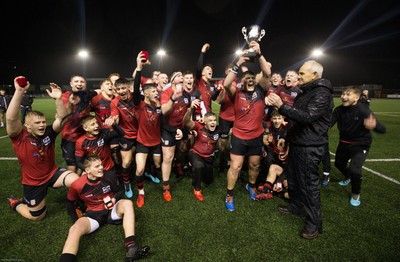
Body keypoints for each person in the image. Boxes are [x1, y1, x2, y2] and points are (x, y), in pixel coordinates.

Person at [265, 60, 333, 240]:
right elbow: (296, 119)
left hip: (310, 147)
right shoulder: (307, 91)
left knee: (309, 186)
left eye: (302, 74)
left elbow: (307, 117)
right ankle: (296, 206)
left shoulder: (322, 94)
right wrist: (286, 137)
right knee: (294, 179)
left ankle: (314, 224)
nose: (298, 76)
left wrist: (282, 106)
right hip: (298, 143)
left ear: (315, 75)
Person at [7, 77, 79, 221]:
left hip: (52, 173)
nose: (41, 125)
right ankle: (16, 204)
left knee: (76, 180)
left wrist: (58, 99)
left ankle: (75, 205)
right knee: (37, 217)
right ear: (27, 126)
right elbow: (11, 119)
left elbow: (63, 120)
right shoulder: (19, 137)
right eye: (37, 123)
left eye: (43, 122)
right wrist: (19, 91)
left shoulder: (48, 132)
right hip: (33, 182)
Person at [60, 155, 149, 262]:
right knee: (74, 229)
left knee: (128, 203)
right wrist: (75, 220)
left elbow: (120, 190)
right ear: (87, 170)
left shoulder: (110, 175)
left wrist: (114, 199)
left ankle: (131, 249)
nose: (101, 167)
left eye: (101, 164)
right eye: (97, 166)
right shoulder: (78, 185)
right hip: (93, 216)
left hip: (112, 210)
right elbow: (69, 202)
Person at [223, 41, 272, 212]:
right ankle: (229, 194)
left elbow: (267, 72)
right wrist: (238, 63)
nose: (250, 80)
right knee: (235, 166)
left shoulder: (261, 90)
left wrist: (259, 54)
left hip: (256, 137)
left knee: (254, 165)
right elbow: (226, 83)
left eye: (252, 78)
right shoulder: (237, 92)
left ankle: (251, 186)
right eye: (247, 78)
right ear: (242, 82)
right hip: (239, 136)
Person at [332, 86, 386, 206]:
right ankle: (348, 177)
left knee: (355, 170)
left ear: (356, 97)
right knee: (338, 164)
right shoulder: (338, 110)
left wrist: (374, 126)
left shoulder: (363, 110)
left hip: (361, 144)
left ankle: (355, 193)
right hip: (344, 142)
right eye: (343, 94)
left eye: (348, 95)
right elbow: (329, 123)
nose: (344, 97)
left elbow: (382, 129)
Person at [131, 52, 163, 208]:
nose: (157, 92)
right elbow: (136, 89)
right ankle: (141, 193)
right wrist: (139, 67)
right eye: (154, 91)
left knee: (157, 165)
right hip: (142, 142)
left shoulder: (159, 106)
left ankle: (154, 174)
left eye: (157, 90)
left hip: (156, 142)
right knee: (139, 169)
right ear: (146, 93)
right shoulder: (140, 104)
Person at [61, 75, 99, 172]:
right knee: (72, 165)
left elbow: (99, 91)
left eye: (82, 82)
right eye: (76, 81)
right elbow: (66, 111)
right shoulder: (66, 96)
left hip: (84, 136)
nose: (79, 83)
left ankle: (81, 184)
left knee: (84, 162)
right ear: (71, 84)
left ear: (85, 84)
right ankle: (73, 186)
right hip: (69, 138)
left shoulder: (88, 96)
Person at [184, 101, 220, 201]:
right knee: (198, 165)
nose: (212, 122)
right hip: (195, 153)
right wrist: (190, 109)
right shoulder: (199, 126)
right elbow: (186, 122)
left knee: (209, 181)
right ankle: (197, 188)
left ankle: (197, 170)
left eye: (214, 120)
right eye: (210, 121)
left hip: (208, 157)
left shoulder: (218, 130)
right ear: (205, 121)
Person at [110, 78, 139, 198]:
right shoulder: (115, 102)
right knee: (126, 161)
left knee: (144, 159)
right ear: (116, 90)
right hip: (125, 135)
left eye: (123, 88)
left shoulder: (136, 97)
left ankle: (147, 174)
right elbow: (115, 117)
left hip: (141, 133)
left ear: (128, 88)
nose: (121, 91)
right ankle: (126, 183)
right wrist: (113, 121)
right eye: (118, 89)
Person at [160, 71, 184, 201]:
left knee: (183, 150)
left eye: (182, 76)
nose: (181, 77)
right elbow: (164, 111)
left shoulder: (187, 93)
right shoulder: (166, 92)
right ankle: (166, 187)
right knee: (168, 157)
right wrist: (173, 98)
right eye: (178, 76)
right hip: (168, 129)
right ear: (173, 80)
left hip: (182, 127)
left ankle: (180, 165)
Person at [196, 43, 215, 113]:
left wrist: (218, 91)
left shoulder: (211, 85)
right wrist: (202, 52)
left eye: (211, 69)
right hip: (199, 112)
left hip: (209, 112)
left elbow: (214, 99)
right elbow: (199, 68)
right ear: (202, 73)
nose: (210, 70)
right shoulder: (199, 81)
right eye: (207, 69)